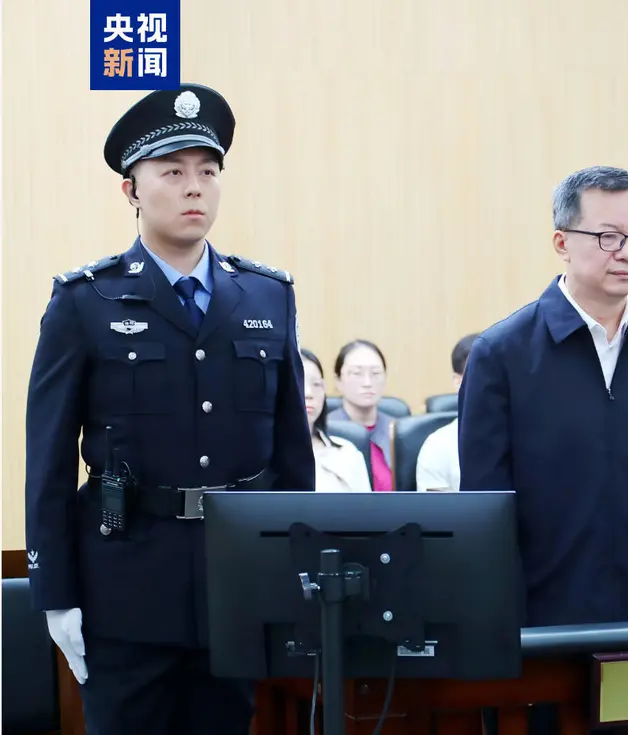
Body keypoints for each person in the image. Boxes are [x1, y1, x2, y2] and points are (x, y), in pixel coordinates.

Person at [23, 83, 315, 735]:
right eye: (173, 172)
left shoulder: (267, 296)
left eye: (208, 172)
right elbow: (47, 462)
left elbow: (293, 457)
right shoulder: (84, 301)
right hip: (124, 587)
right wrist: (54, 594)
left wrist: (295, 575)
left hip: (237, 584)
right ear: (131, 190)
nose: (194, 189)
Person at [458, 166, 628, 629]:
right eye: (608, 237)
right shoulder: (502, 355)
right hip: (543, 625)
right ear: (562, 243)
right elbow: (486, 513)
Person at [327, 339, 394, 491]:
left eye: (375, 373)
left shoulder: (397, 432)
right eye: (357, 373)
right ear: (338, 381)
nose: (367, 382)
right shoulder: (323, 432)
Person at [303, 348, 373, 492]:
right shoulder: (261, 457)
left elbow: (365, 507)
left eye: (316, 384)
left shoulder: (348, 453)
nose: (309, 393)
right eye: (298, 383)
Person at [416, 332, 479, 491]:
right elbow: (436, 507)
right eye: (479, 374)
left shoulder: (524, 437)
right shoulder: (438, 446)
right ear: (458, 381)